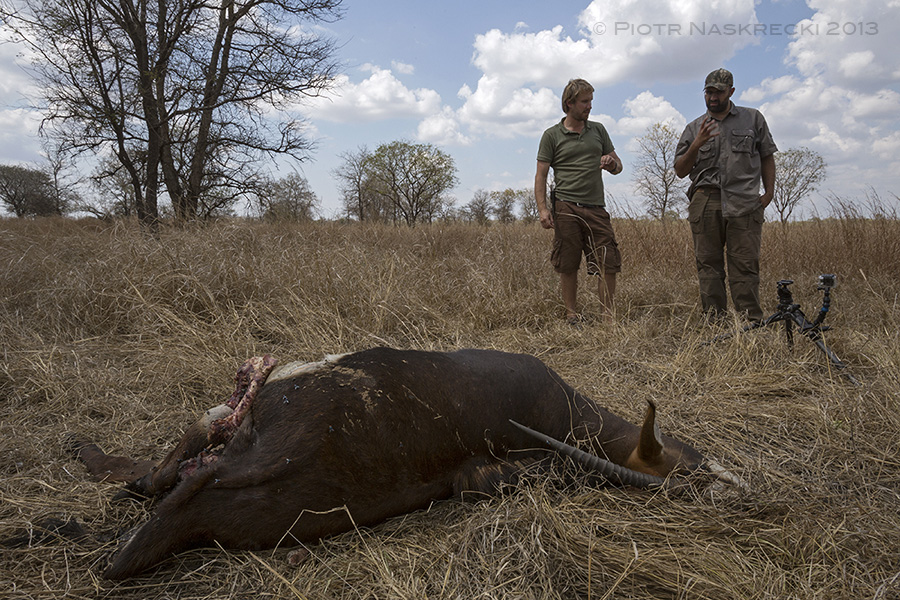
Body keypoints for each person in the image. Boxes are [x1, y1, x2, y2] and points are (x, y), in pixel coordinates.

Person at [674, 68, 777, 323]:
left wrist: (769, 193)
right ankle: (715, 324)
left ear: (731, 91)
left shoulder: (753, 119)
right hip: (705, 201)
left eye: (719, 92)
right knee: (708, 267)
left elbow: (767, 156)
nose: (713, 97)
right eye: (709, 92)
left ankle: (750, 324)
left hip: (744, 201)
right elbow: (680, 170)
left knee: (744, 265)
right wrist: (697, 144)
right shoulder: (694, 127)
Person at [535, 78, 623, 326]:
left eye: (591, 101)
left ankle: (608, 316)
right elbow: (541, 175)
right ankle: (572, 314)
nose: (589, 106)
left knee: (608, 261)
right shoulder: (551, 135)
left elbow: (619, 166)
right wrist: (543, 209)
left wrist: (611, 163)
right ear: (569, 103)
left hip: (596, 207)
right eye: (585, 102)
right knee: (568, 262)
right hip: (566, 206)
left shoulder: (599, 130)